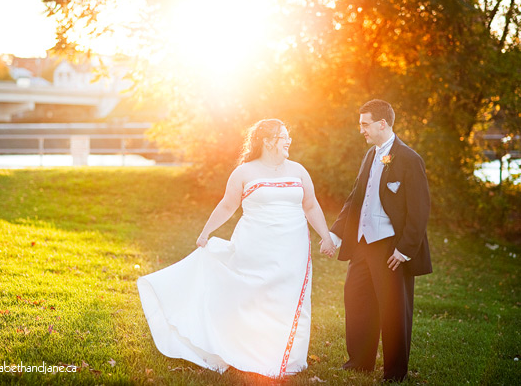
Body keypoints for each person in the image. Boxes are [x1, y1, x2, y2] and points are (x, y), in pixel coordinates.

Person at [137, 118, 336, 378]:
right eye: (283, 136)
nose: (289, 141)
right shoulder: (244, 172)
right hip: (255, 243)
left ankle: (288, 358)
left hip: (293, 246)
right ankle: (242, 348)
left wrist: (326, 236)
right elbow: (228, 205)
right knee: (250, 294)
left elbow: (310, 205)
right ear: (267, 141)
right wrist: (206, 232)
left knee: (287, 297)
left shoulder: (298, 170)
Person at [326, 99, 432, 382]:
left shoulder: (410, 159)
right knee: (356, 299)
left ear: (381, 124)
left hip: (390, 247)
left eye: (365, 124)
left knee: (393, 309)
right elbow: (356, 198)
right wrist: (336, 234)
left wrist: (405, 250)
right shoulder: (370, 156)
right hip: (362, 243)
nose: (361, 129)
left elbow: (419, 211)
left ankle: (395, 371)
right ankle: (360, 362)